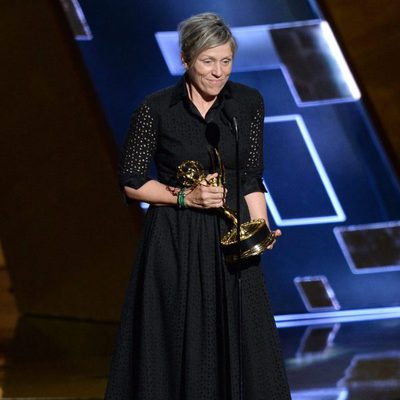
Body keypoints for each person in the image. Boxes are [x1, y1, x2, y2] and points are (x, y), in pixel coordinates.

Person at [105, 12, 292, 400]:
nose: (218, 72)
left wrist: (259, 226)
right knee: (176, 338)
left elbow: (250, 174)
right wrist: (186, 197)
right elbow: (132, 181)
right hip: (175, 239)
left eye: (226, 61)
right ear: (186, 59)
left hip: (230, 240)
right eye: (208, 61)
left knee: (243, 339)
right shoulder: (156, 109)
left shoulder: (247, 103)